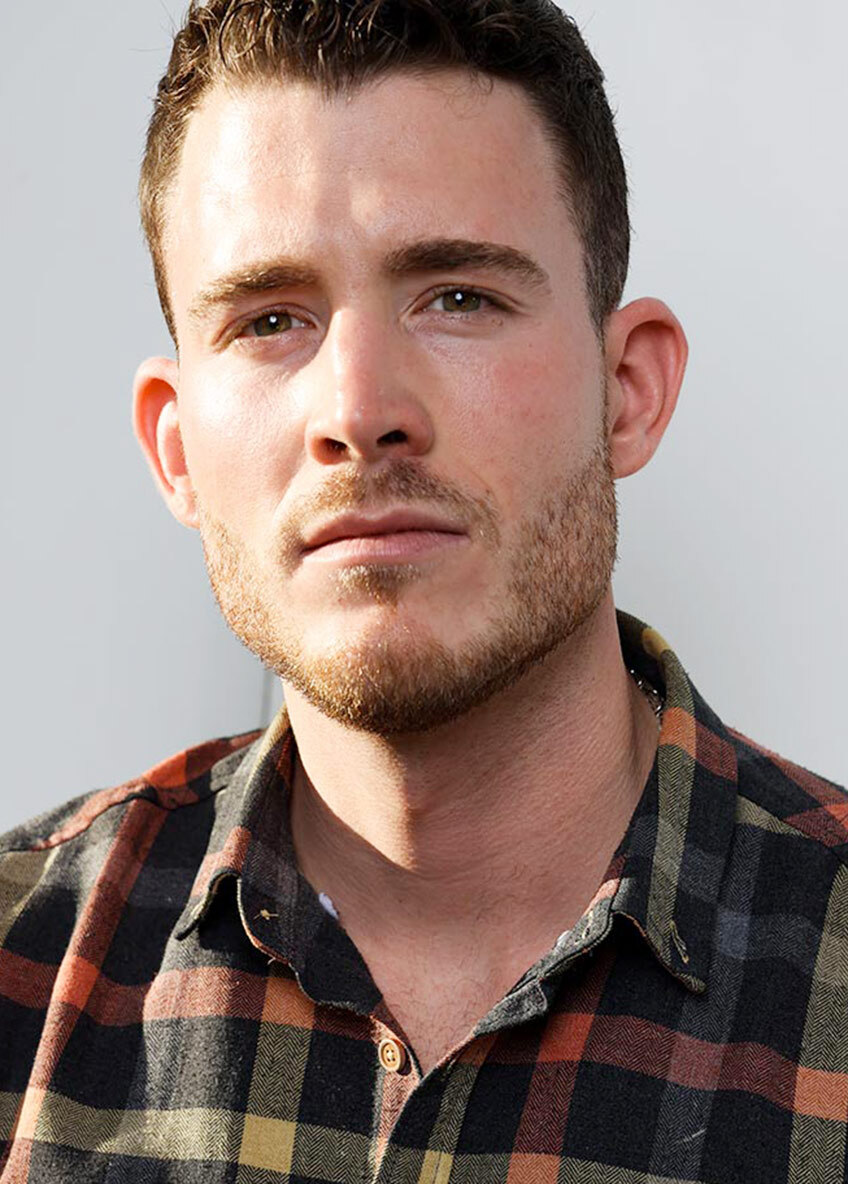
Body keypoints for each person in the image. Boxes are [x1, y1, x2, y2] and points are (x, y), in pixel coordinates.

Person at [0, 1, 844, 1180]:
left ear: (628, 391)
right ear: (176, 449)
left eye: (457, 296)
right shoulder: (20, 960)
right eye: (269, 319)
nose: (358, 410)